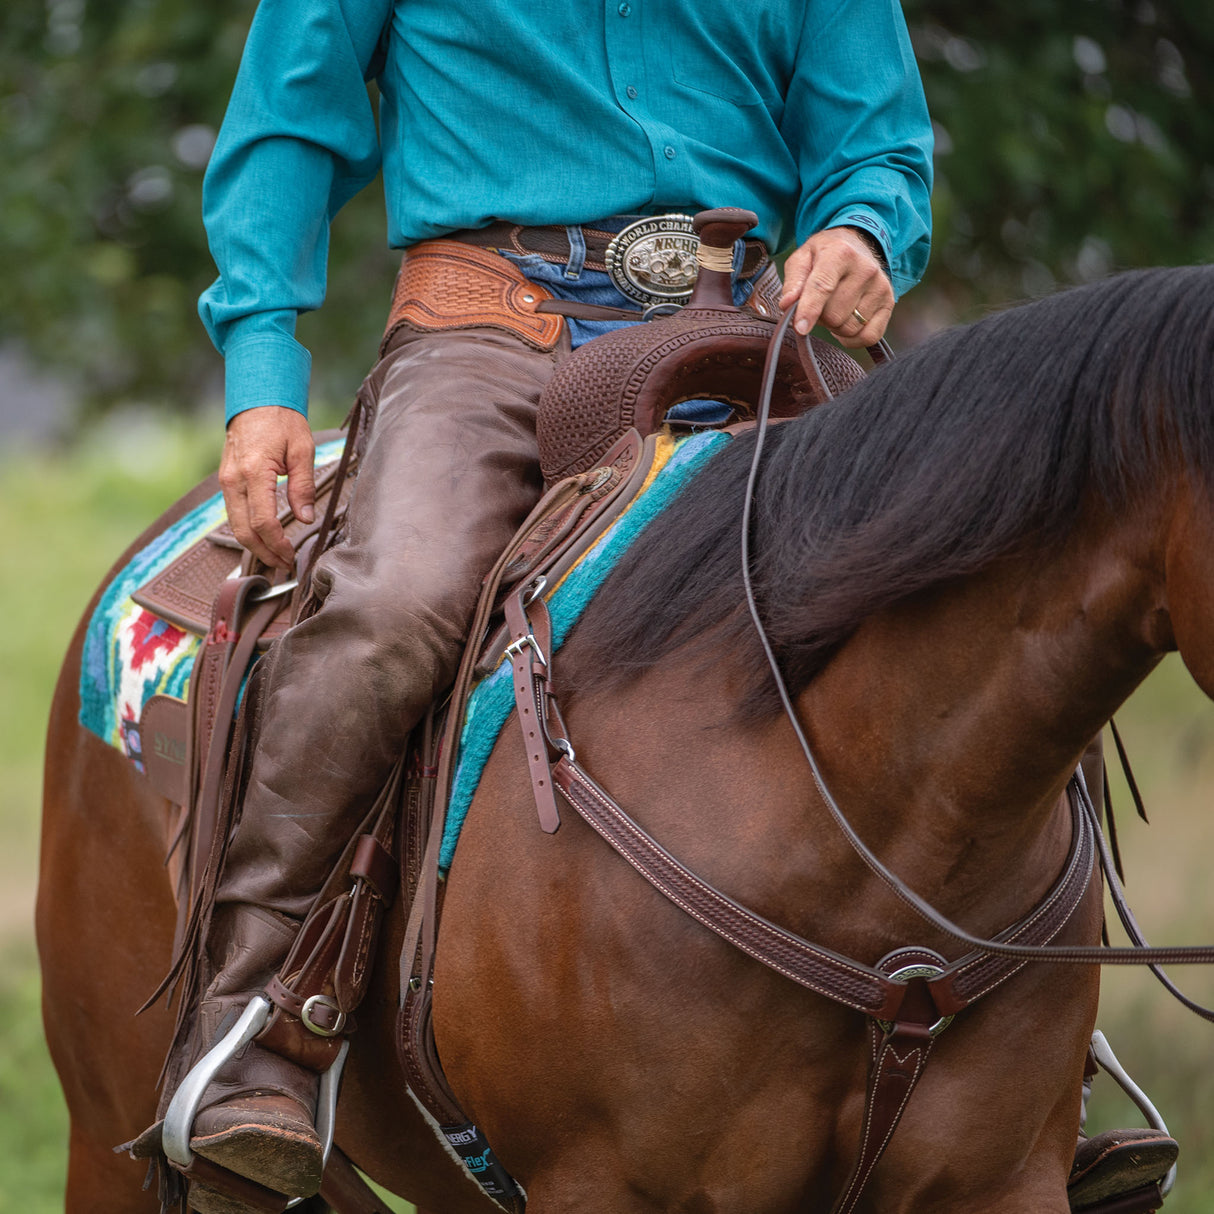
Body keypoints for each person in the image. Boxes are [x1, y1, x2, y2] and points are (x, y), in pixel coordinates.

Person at [151, 3, 1166, 1213]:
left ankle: (1038, 1054)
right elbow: (286, 124)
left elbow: (876, 145)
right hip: (484, 335)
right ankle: (255, 1016)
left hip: (744, 335)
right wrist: (263, 371)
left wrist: (856, 229)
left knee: (946, 595)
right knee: (393, 602)